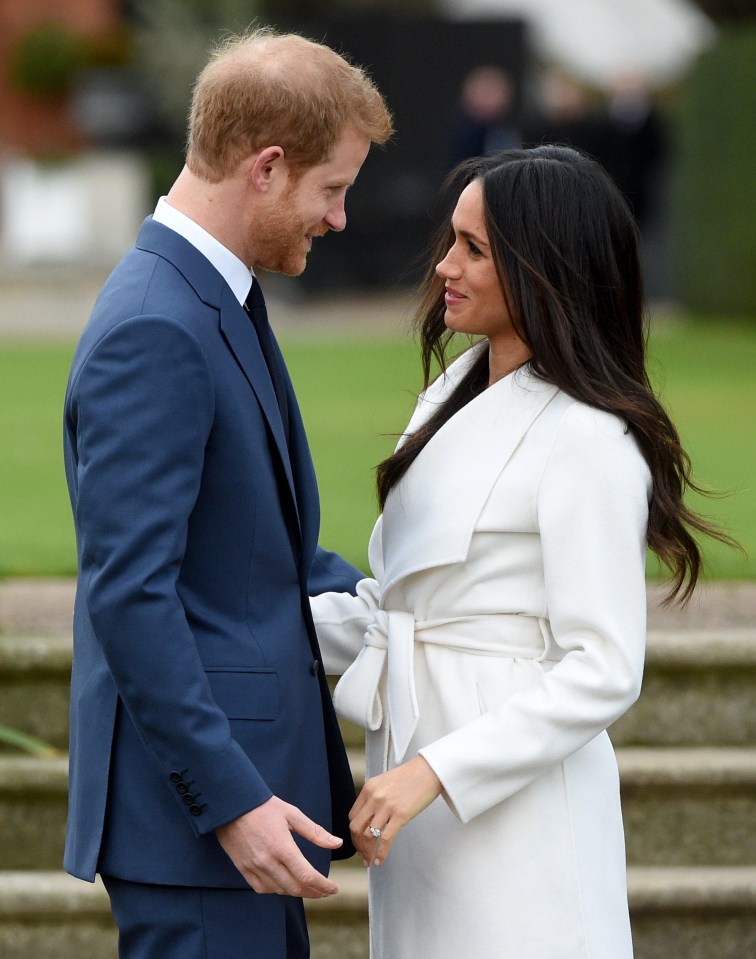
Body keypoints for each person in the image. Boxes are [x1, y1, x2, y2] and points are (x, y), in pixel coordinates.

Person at [311, 146, 730, 958]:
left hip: (513, 808)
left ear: (546, 270)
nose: (443, 266)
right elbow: (397, 608)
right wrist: (250, 623)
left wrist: (435, 770)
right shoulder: (451, 394)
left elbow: (604, 665)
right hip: (415, 788)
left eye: (473, 249)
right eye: (452, 240)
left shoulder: (588, 439)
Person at [62, 28, 391, 959]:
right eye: (332, 190)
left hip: (240, 819)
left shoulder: (208, 294)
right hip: (202, 831)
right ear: (267, 167)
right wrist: (234, 800)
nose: (337, 219)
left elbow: (252, 552)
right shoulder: (156, 325)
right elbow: (130, 594)